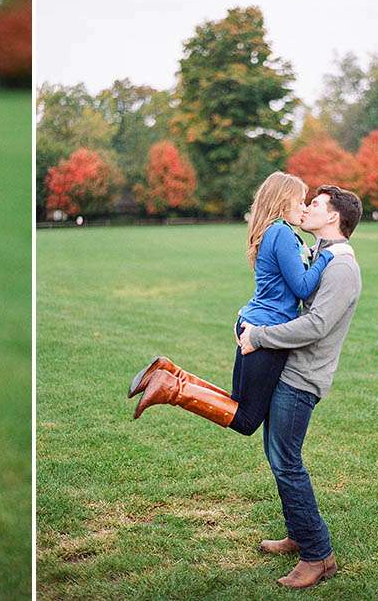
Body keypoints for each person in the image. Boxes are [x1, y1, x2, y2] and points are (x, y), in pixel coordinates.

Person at [129, 172, 352, 434]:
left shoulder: (279, 232)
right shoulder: (280, 232)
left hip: (256, 321)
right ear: (283, 201)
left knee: (237, 403)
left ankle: (171, 374)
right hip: (265, 329)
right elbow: (302, 287)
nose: (303, 208)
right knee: (246, 420)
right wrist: (330, 255)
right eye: (300, 201)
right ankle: (172, 389)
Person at [237, 184, 362, 588]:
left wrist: (260, 336)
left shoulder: (342, 267)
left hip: (303, 378)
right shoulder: (320, 256)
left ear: (333, 218)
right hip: (288, 370)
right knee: (279, 458)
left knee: (287, 462)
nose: (308, 207)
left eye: (317, 205)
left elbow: (316, 325)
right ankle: (299, 533)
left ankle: (318, 555)